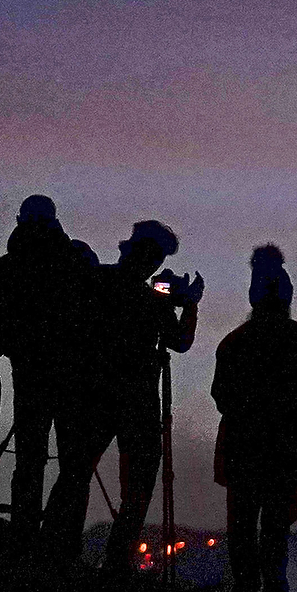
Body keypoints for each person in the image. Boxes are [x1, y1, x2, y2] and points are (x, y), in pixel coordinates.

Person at [43, 220, 199, 568]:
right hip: (137, 400)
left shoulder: (95, 281)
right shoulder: (150, 299)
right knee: (139, 482)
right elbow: (181, 342)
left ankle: (58, 552)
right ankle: (117, 561)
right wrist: (188, 304)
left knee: (75, 473)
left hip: (90, 394)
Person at [209, 244, 297, 592]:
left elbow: (221, 397)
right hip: (287, 446)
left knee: (242, 525)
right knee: (277, 526)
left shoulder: (233, 342)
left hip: (243, 447)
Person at [0, 194, 93, 540]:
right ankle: (63, 539)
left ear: (21, 219)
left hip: (29, 373)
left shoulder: (8, 266)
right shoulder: (77, 258)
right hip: (73, 375)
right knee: (74, 463)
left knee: (29, 460)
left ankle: (23, 535)